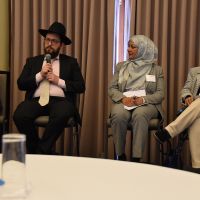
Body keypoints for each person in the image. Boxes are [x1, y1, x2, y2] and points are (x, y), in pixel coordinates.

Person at [13, 21, 85, 154]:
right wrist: (40, 75)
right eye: (47, 40)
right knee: (20, 114)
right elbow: (21, 83)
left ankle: (40, 151)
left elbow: (81, 86)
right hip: (36, 101)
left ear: (61, 44)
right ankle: (39, 150)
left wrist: (58, 81)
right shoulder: (33, 61)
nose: (49, 44)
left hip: (60, 101)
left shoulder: (71, 62)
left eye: (54, 41)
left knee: (63, 111)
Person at [108, 35, 164, 162]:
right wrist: (122, 99)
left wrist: (143, 99)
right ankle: (120, 155)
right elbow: (112, 89)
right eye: (128, 46)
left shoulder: (156, 70)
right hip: (125, 101)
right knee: (118, 115)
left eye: (133, 47)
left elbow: (160, 94)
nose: (128, 49)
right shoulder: (121, 66)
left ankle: (136, 158)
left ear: (144, 49)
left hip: (147, 103)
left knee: (139, 114)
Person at [154, 66, 200, 169]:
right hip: (194, 110)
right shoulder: (195, 71)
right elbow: (186, 89)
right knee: (196, 120)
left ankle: (169, 131)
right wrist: (187, 96)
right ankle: (198, 166)